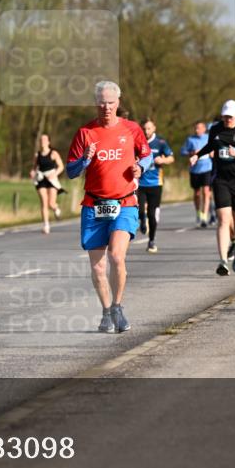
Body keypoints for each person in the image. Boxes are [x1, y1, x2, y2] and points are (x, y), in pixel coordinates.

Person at [65, 81, 151, 333]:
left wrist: (141, 167)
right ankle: (105, 312)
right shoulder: (85, 133)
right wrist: (85, 159)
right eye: (102, 102)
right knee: (98, 266)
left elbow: (147, 155)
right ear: (96, 103)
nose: (106, 107)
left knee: (116, 255)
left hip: (124, 202)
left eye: (111, 102)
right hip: (93, 205)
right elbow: (71, 171)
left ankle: (117, 306)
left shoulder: (132, 129)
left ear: (118, 103)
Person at [188, 100, 235, 275]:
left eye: (230, 117)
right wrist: (197, 155)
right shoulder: (215, 129)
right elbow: (210, 146)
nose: (227, 119)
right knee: (223, 220)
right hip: (220, 180)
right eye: (225, 116)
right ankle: (223, 261)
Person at [137, 119, 174, 253]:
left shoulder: (160, 143)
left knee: (152, 214)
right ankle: (142, 220)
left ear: (154, 128)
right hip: (139, 183)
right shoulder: (137, 141)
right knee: (140, 210)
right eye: (144, 129)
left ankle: (151, 241)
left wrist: (163, 160)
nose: (146, 131)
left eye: (149, 128)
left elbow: (171, 157)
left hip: (155, 183)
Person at [31, 133, 65, 235]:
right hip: (41, 179)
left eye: (45, 140)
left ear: (48, 142)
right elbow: (34, 168)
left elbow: (61, 166)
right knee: (44, 202)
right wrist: (32, 172)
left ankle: (55, 208)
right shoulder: (37, 155)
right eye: (41, 140)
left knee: (51, 203)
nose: (42, 141)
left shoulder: (53, 153)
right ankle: (46, 225)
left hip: (52, 179)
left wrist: (55, 174)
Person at [181, 121, 213, 228]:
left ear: (204, 129)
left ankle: (204, 216)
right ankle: (198, 212)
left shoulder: (209, 137)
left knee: (206, 192)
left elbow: (215, 148)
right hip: (195, 170)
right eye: (195, 128)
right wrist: (192, 152)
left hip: (207, 168)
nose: (197, 130)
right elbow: (183, 151)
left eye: (199, 128)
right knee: (197, 193)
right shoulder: (190, 139)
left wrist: (211, 153)